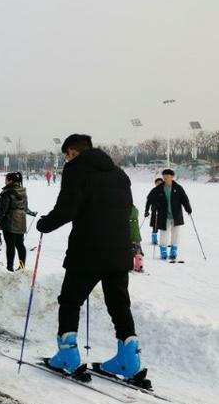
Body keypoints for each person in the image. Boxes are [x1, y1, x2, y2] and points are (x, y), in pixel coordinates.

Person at [37, 134, 141, 379]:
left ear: (72, 152)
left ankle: (67, 355)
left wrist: (44, 224)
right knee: (119, 303)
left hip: (88, 251)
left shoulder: (76, 171)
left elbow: (67, 209)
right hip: (119, 251)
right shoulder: (119, 174)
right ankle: (129, 357)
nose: (66, 160)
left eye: (66, 155)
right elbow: (128, 209)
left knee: (70, 301)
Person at [0, 172, 36, 272]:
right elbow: (25, 208)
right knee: (20, 244)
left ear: (10, 180)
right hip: (21, 222)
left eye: (6, 179)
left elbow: (3, 209)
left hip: (9, 222)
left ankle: (9, 267)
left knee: (10, 245)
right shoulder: (22, 191)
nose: (5, 181)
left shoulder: (8, 192)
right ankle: (22, 267)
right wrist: (31, 213)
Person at [150, 169, 192, 261]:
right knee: (164, 234)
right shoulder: (159, 188)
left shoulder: (178, 188)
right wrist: (155, 204)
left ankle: (173, 250)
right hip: (164, 215)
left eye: (167, 176)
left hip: (176, 215)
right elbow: (151, 197)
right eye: (164, 176)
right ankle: (163, 251)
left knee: (175, 234)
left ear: (172, 177)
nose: (165, 178)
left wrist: (188, 208)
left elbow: (184, 199)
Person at [144, 178, 164, 245]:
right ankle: (154, 239)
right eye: (157, 182)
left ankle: (164, 240)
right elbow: (148, 202)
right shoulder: (153, 191)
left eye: (160, 182)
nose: (159, 184)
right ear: (155, 184)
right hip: (155, 211)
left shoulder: (165, 191)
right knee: (155, 226)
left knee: (164, 227)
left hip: (163, 212)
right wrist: (146, 211)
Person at [130, 205, 144, 273]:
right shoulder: (136, 210)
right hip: (136, 234)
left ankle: (129, 265)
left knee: (129, 250)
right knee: (138, 249)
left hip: (128, 233)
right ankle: (139, 265)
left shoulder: (125, 211)